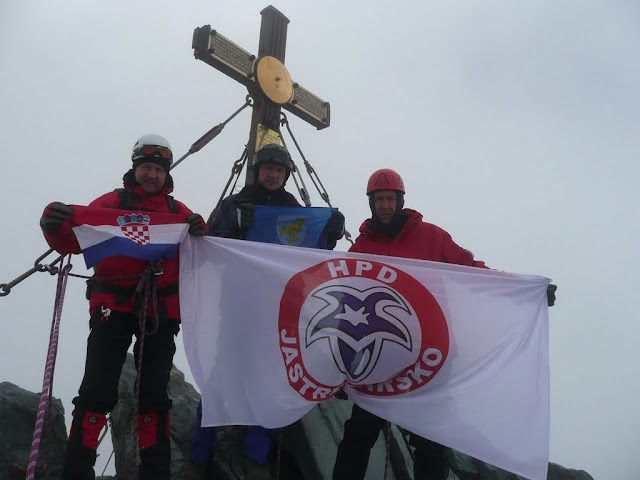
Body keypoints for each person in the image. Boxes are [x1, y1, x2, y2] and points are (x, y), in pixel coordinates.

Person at [39, 134, 208, 480]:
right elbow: (74, 238)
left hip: (159, 313)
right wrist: (54, 226)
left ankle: (155, 472)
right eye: (146, 167)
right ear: (135, 169)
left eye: (158, 169)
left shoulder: (180, 214)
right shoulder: (112, 203)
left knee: (154, 397)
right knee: (96, 391)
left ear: (166, 175)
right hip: (113, 307)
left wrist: (201, 235)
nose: (152, 174)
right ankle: (77, 470)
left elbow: (201, 259)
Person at [183, 143, 345, 480]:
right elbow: (209, 247)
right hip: (238, 306)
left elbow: (309, 257)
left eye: (279, 169)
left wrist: (327, 233)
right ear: (257, 170)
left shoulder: (296, 212)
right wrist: (234, 232)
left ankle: (256, 453)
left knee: (270, 377)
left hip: (277, 309)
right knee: (222, 376)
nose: (272, 174)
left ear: (286, 174)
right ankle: (199, 452)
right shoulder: (234, 205)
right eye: (267, 168)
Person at [332, 167, 488, 480]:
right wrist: (342, 365)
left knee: (430, 441)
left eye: (390, 198)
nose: (385, 205)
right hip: (379, 358)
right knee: (359, 435)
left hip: (428, 355)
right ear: (371, 203)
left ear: (401, 200)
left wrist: (521, 290)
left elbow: (470, 268)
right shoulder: (360, 249)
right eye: (379, 199)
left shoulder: (432, 236)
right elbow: (344, 306)